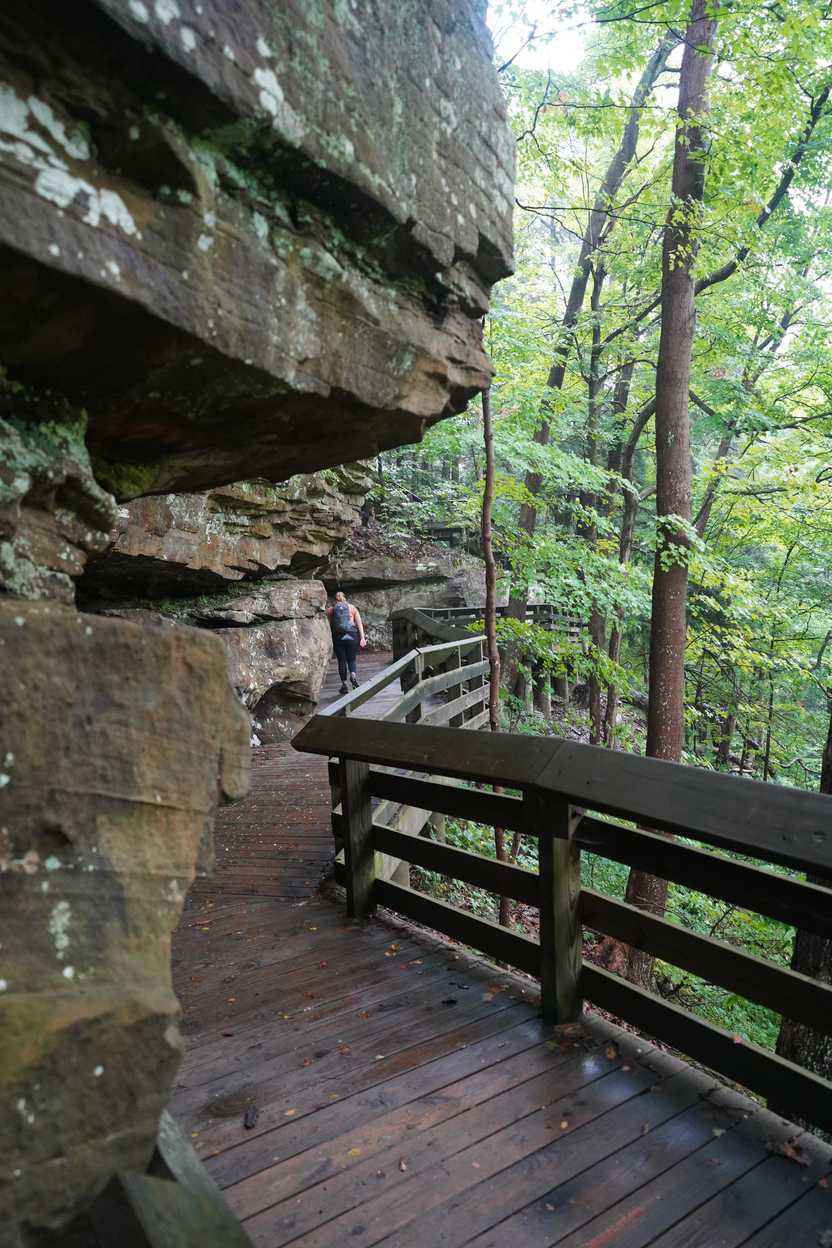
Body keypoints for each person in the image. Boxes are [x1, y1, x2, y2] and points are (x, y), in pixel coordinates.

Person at [327, 591, 366, 694]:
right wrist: (362, 638)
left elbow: (327, 627)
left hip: (338, 637)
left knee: (342, 661)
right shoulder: (352, 608)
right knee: (352, 659)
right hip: (351, 635)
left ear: (335, 599)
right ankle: (353, 676)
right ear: (345, 598)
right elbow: (359, 624)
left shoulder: (331, 610)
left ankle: (344, 684)